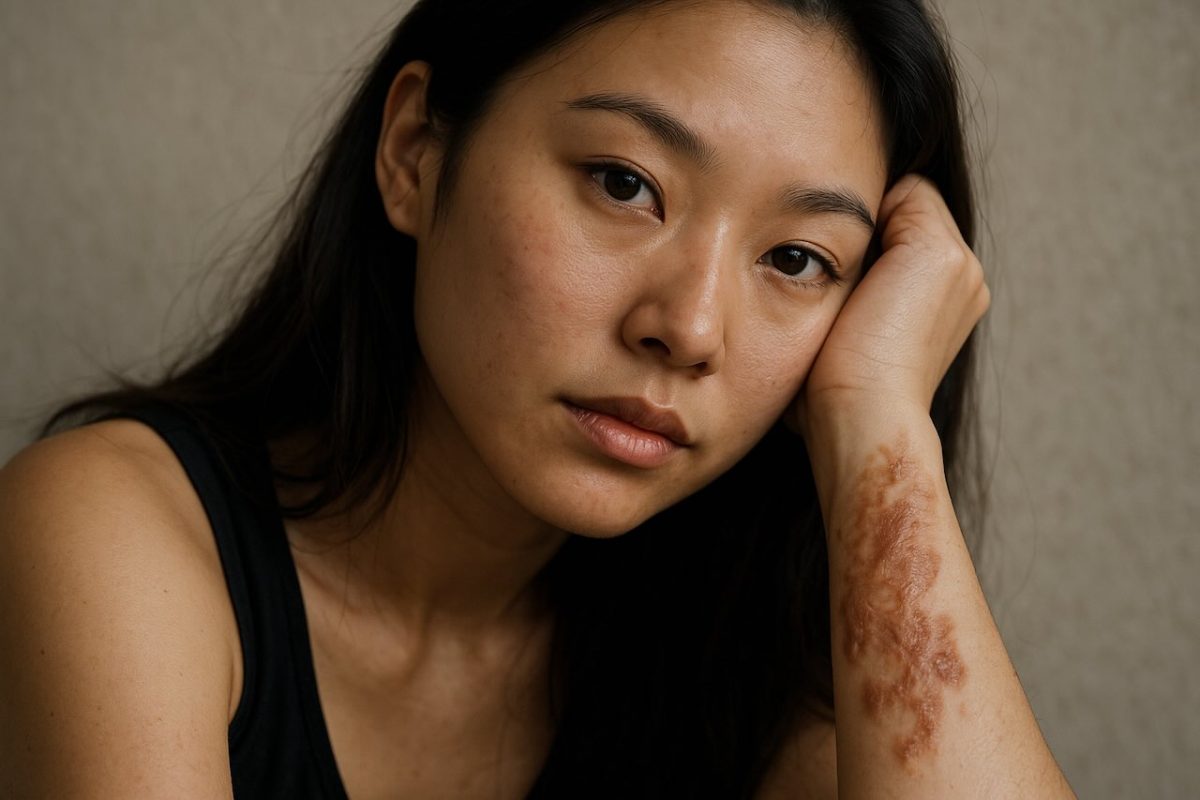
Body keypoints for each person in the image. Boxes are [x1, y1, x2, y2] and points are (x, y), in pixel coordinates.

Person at [0, 0, 1075, 796]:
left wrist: (881, 424)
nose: (691, 327)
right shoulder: (115, 536)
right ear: (415, 150)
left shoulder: (740, 664)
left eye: (797, 258)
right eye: (625, 184)